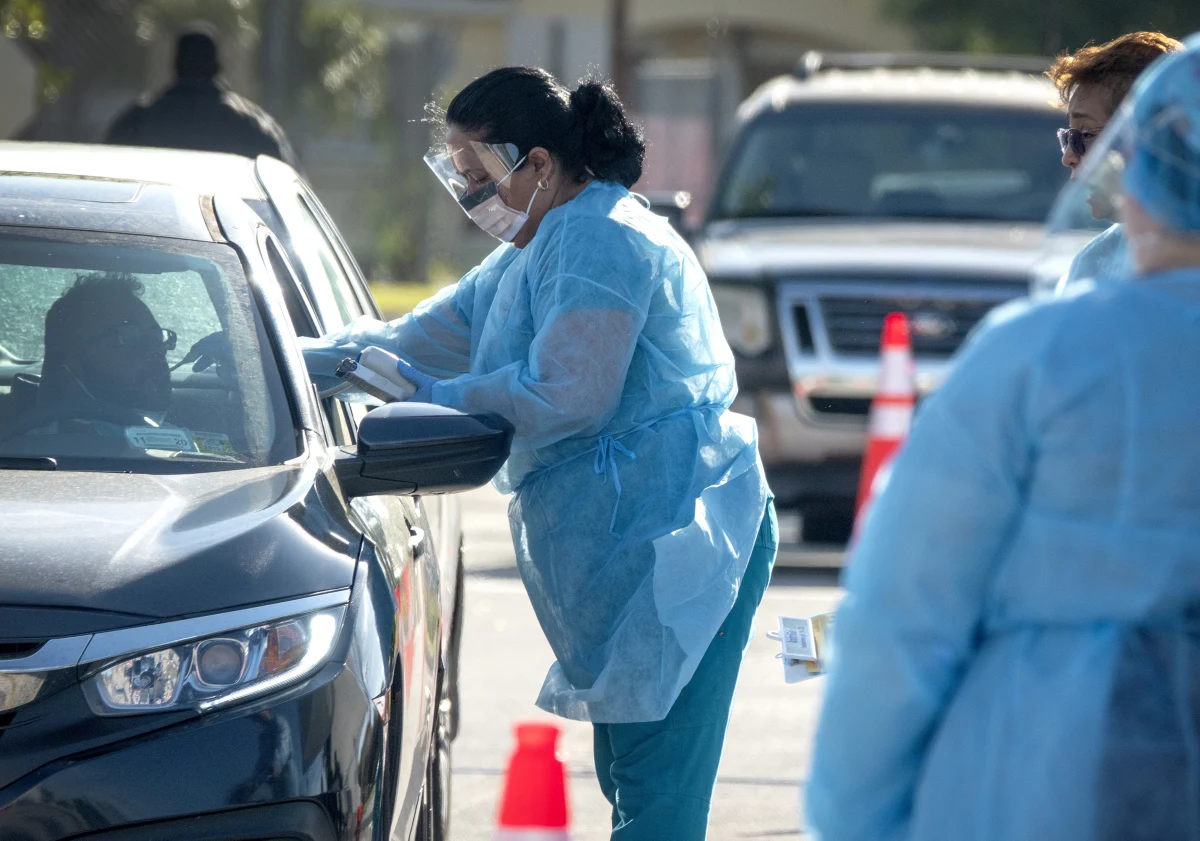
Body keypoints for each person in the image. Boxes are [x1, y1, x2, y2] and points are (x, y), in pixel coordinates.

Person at [299, 67, 776, 839]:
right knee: (634, 777)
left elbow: (569, 392)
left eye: (478, 172)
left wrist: (435, 393)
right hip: (634, 554)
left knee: (657, 798)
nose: (468, 195)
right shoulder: (530, 253)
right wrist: (288, 360)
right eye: (458, 174)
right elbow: (405, 342)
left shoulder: (600, 237)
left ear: (541, 164)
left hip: (682, 542)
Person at [806, 35, 1200, 841]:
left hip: (1047, 777)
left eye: (1091, 142)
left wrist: (856, 815)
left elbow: (906, 607)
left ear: (1138, 159)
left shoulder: (1041, 353)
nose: (1078, 163)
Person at [1050, 31, 1181, 288]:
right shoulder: (1095, 260)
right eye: (1069, 136)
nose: (1068, 157)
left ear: (1150, 140)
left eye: (1086, 134)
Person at [106, 29, 298, 167]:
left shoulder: (136, 123)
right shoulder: (254, 127)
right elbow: (287, 185)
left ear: (175, 65)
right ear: (217, 67)